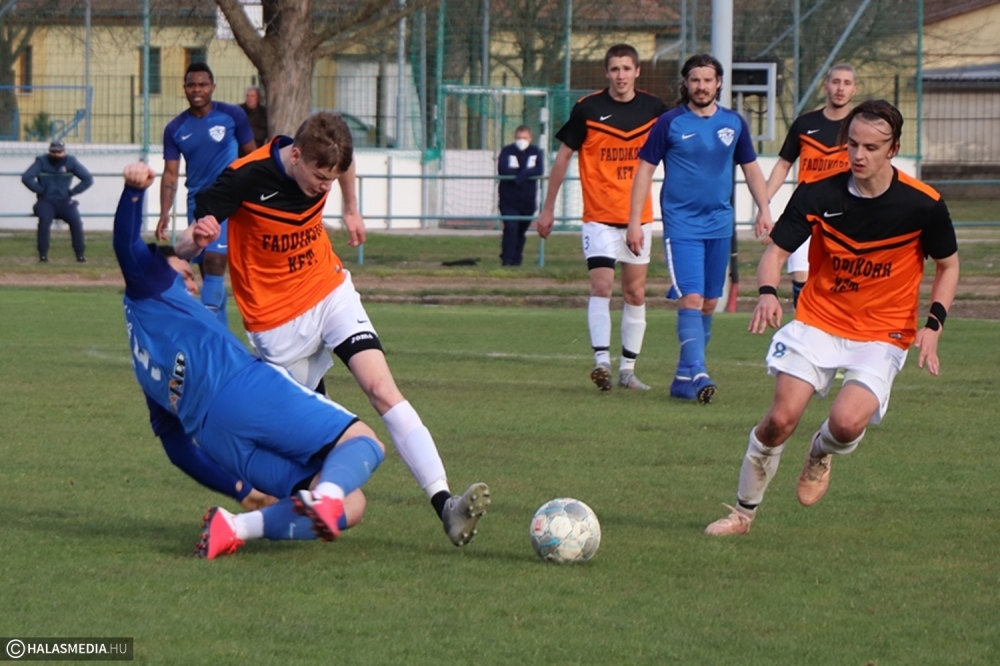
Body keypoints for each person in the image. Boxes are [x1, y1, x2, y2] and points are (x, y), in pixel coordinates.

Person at [186, 111, 491, 547]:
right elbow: (206, 207)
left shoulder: (328, 159)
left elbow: (345, 166)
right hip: (277, 328)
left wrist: (350, 208)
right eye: (318, 177)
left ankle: (445, 504)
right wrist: (205, 226)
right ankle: (254, 514)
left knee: (383, 389)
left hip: (327, 291)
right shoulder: (246, 177)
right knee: (321, 467)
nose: (323, 187)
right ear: (295, 155)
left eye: (331, 178)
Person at [704, 100, 960, 536]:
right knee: (780, 419)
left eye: (872, 147)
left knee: (844, 424)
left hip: (883, 333)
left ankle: (820, 451)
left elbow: (948, 265)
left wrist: (932, 326)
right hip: (818, 321)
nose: (858, 156)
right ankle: (742, 515)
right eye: (853, 145)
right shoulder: (818, 193)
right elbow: (775, 253)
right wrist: (767, 293)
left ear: (893, 148)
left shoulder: (923, 205)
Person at [115, 161, 385, 559]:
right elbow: (125, 245)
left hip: (217, 440)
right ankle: (324, 497)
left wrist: (240, 489)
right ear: (158, 267)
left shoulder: (144, 363)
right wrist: (133, 192)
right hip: (243, 391)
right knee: (365, 441)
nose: (190, 282)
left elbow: (178, 449)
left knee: (353, 505)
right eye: (186, 274)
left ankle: (235, 526)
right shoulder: (151, 282)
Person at [628, 54, 772, 404]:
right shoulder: (669, 122)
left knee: (709, 303)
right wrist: (634, 221)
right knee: (690, 298)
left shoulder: (734, 123)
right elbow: (644, 171)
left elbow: (752, 169)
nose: (702, 86)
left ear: (719, 83)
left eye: (708, 80)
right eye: (695, 80)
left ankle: (681, 380)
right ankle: (699, 370)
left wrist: (764, 208)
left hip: (720, 225)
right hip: (682, 226)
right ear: (686, 83)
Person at [536, 44, 669, 392]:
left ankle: (628, 370)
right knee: (601, 286)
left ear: (637, 72)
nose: (621, 75)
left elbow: (676, 153)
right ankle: (601, 364)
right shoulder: (588, 109)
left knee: (635, 292)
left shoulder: (655, 109)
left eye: (627, 68)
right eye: (614, 69)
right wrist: (548, 208)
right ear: (606, 72)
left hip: (637, 219)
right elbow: (563, 158)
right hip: (598, 217)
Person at [155, 62, 256, 328]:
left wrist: (253, 192)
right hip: (198, 204)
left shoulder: (232, 115)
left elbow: (253, 155)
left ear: (212, 86)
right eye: (191, 85)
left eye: (202, 84)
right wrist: (165, 212)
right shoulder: (175, 128)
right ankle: (220, 337)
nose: (197, 89)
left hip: (229, 199)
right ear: (185, 88)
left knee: (214, 262)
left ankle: (209, 335)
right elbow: (170, 174)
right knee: (208, 270)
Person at [757, 64, 858, 310]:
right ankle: (803, 329)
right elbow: (783, 165)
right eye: (835, 82)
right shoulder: (805, 124)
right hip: (807, 210)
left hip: (846, 214)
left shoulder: (859, 127)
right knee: (801, 274)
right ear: (826, 86)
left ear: (854, 90)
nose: (840, 88)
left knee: (841, 279)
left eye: (846, 83)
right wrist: (764, 205)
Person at [21, 140, 93, 263]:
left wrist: (72, 192)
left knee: (76, 222)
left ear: (64, 152)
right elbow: (27, 177)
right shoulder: (41, 161)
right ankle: (43, 255)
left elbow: (87, 179)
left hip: (65, 201)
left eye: (59, 152)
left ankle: (80, 255)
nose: (56, 154)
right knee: (44, 221)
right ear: (49, 151)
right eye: (53, 152)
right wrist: (40, 190)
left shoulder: (71, 161)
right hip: (45, 201)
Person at [497, 125, 543, 266]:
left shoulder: (535, 152)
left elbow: (539, 169)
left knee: (520, 231)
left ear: (530, 138)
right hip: (508, 199)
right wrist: (519, 176)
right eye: (518, 138)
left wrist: (522, 175)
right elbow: (503, 169)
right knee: (511, 227)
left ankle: (517, 259)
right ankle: (507, 259)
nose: (521, 140)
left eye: (524, 138)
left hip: (527, 200)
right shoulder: (507, 151)